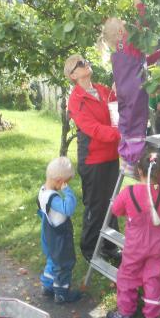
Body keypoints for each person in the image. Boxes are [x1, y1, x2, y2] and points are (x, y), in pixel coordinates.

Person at [101, 0, 160, 174]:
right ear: (121, 33)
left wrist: (159, 54)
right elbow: (144, 22)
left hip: (124, 91)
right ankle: (132, 161)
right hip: (136, 90)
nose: (129, 27)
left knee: (127, 123)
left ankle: (126, 159)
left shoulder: (119, 50)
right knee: (138, 123)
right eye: (125, 25)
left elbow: (142, 62)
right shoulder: (129, 41)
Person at [106, 152, 160, 318]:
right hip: (158, 245)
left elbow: (116, 210)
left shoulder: (128, 192)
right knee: (153, 278)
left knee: (127, 276)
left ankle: (126, 313)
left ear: (138, 170)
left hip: (135, 245)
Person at [65, 54, 121, 263]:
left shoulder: (102, 90)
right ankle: (89, 249)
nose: (84, 63)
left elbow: (116, 109)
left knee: (112, 203)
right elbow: (93, 129)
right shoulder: (76, 100)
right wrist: (120, 135)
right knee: (96, 206)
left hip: (111, 156)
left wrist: (119, 90)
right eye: (79, 64)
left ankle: (110, 246)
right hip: (93, 160)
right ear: (73, 75)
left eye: (84, 60)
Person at [37, 156, 82, 303]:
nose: (67, 184)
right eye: (66, 182)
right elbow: (68, 209)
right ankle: (62, 293)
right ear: (60, 181)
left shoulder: (42, 191)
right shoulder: (53, 198)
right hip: (59, 237)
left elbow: (42, 211)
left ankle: (47, 285)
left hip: (48, 233)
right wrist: (68, 192)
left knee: (52, 259)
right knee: (64, 264)